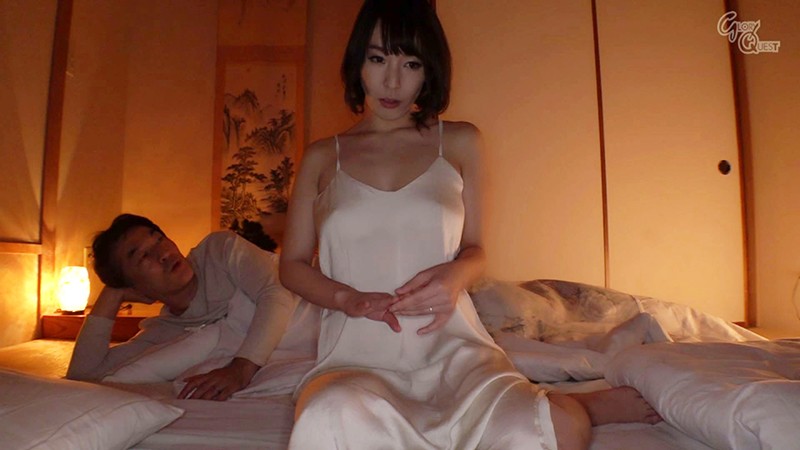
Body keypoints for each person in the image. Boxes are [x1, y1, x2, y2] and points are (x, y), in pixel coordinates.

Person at [279, 1, 660, 449]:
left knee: (549, 429)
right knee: (327, 417)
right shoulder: (323, 156)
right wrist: (348, 299)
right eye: (378, 59)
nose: (393, 82)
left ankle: (575, 407)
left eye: (411, 64)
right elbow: (292, 264)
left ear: (430, 70)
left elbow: (475, 249)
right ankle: (561, 402)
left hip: (453, 351)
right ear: (357, 61)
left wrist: (455, 276)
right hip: (356, 361)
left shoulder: (460, 142)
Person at [66, 213, 298, 401]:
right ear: (133, 287)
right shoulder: (163, 332)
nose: (163, 253)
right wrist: (112, 294)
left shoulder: (218, 251)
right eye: (143, 256)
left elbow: (276, 292)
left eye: (159, 239)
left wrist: (241, 368)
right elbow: (84, 375)